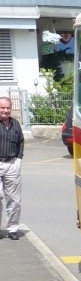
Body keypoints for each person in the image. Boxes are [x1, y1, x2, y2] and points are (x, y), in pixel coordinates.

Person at [0, 97, 23, 240]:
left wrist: (19, 159)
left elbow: (21, 141)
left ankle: (13, 229)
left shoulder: (15, 124)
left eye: (8, 108)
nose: (5, 111)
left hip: (12, 163)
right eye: (2, 108)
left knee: (14, 200)